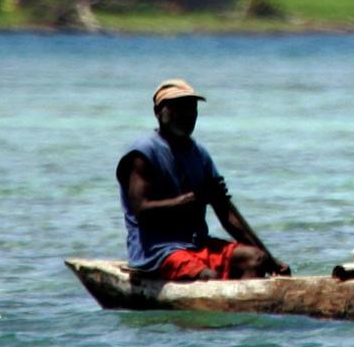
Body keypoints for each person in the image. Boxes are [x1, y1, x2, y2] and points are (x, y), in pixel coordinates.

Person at [117, 79, 291, 282]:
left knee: (255, 259)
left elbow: (227, 213)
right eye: (178, 108)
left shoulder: (200, 155)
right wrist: (192, 199)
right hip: (157, 252)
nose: (187, 115)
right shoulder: (143, 153)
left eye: (192, 109)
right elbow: (141, 210)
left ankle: (245, 311)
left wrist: (270, 259)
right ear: (157, 112)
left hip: (197, 245)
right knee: (209, 276)